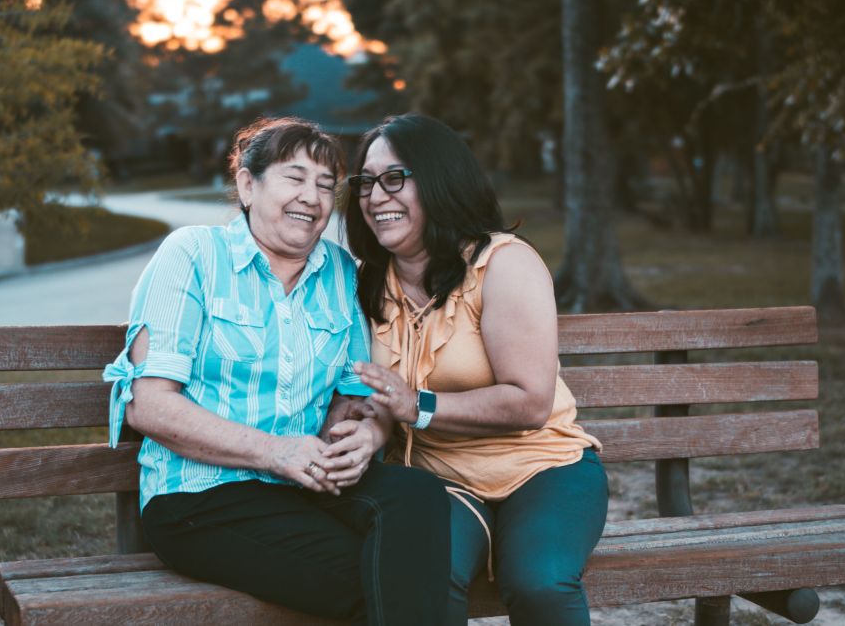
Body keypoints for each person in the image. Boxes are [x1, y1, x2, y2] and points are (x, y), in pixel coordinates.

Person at [103, 117, 450, 625]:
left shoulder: (341, 272)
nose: (312, 196)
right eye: (295, 177)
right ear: (248, 185)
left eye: (326, 185)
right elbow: (149, 404)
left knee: (416, 496)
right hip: (201, 497)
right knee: (373, 574)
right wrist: (276, 451)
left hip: (305, 483)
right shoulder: (193, 255)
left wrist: (364, 438)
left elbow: (356, 397)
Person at [341, 113, 609, 626]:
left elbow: (530, 402)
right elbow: (373, 396)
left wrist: (416, 406)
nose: (376, 197)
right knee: (423, 580)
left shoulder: (503, 263)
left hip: (542, 469)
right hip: (438, 479)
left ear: (440, 179)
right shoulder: (366, 284)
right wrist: (366, 429)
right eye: (366, 183)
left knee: (540, 584)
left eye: (395, 178)